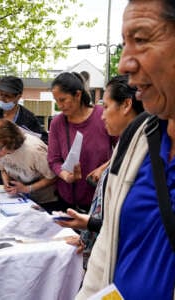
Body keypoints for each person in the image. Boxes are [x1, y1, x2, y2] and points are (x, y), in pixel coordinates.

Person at [77, 1, 175, 298]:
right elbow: (108, 244)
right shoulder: (139, 137)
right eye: (124, 44)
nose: (123, 64)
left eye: (141, 39)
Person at [55, 75, 145, 268]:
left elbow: (133, 225)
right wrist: (89, 228)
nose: (102, 115)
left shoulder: (145, 157)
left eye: (106, 107)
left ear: (127, 105)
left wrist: (91, 225)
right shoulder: (126, 145)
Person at [47, 72, 116, 212]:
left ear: (78, 95)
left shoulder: (102, 115)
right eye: (57, 101)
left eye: (63, 100)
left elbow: (124, 149)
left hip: (99, 201)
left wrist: (104, 168)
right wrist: (65, 175)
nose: (59, 106)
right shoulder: (57, 123)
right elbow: (53, 160)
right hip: (66, 201)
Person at [0, 76, 48, 184]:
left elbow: (44, 142)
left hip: (20, 177)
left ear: (18, 96)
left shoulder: (28, 119)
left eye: (7, 96)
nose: (2, 99)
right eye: (0, 94)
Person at [0, 119, 57, 209]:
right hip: (20, 198)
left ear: (11, 143)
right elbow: (3, 169)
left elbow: (53, 177)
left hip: (44, 200)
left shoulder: (34, 151)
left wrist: (27, 189)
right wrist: (7, 183)